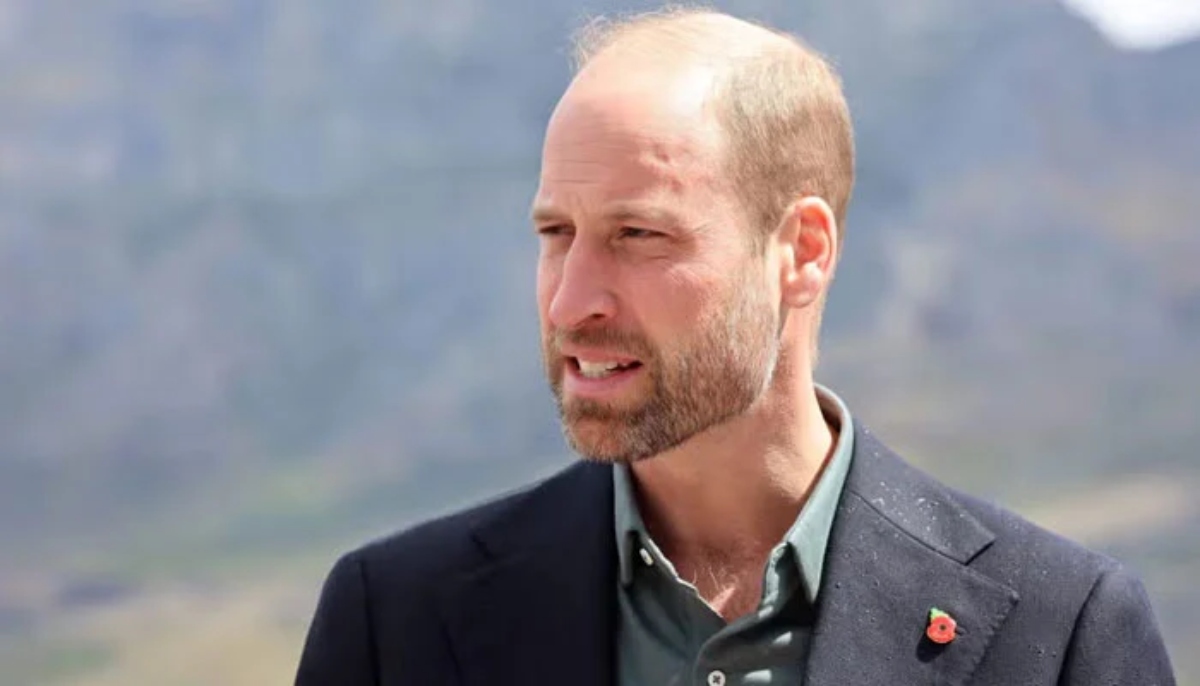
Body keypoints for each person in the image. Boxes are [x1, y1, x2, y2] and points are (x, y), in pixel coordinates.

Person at [294, 8, 1176, 686]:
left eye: (638, 235)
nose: (571, 301)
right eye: (556, 233)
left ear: (803, 251)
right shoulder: (393, 623)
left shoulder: (1061, 634)